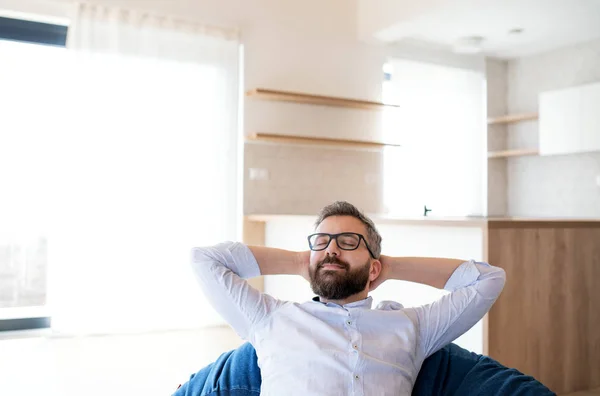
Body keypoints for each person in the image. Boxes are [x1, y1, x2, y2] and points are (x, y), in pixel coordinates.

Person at [190, 201, 506, 396]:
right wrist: (301, 262)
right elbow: (205, 259)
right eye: (322, 242)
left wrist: (390, 267)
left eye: (348, 242)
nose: (332, 249)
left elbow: (488, 280)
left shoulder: (413, 326)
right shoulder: (269, 318)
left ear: (374, 268)